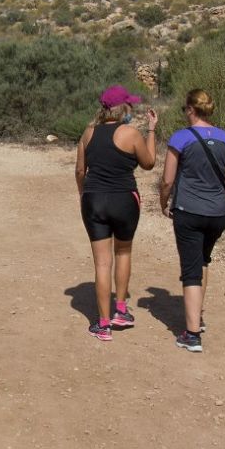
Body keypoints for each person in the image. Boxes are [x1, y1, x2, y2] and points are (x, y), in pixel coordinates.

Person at [158, 88, 225, 353]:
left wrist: (163, 201)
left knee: (190, 269)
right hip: (218, 213)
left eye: (184, 109)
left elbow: (168, 179)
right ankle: (198, 316)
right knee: (203, 260)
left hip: (189, 210)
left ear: (191, 110)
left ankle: (192, 335)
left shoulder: (181, 137)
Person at [75, 85, 157, 341]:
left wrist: (83, 195)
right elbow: (149, 163)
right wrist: (152, 130)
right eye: (129, 105)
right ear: (122, 107)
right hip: (124, 200)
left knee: (101, 263)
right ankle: (120, 310)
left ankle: (102, 323)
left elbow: (80, 171)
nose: (132, 108)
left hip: (94, 200)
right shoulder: (131, 133)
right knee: (123, 252)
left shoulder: (88, 133)